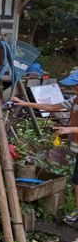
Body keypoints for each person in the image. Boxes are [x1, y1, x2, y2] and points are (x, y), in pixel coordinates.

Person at [11, 69, 78, 224]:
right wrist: (24, 103)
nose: (74, 89)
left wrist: (69, 129)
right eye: (74, 86)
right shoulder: (74, 100)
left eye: (76, 86)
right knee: (76, 181)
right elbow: (52, 107)